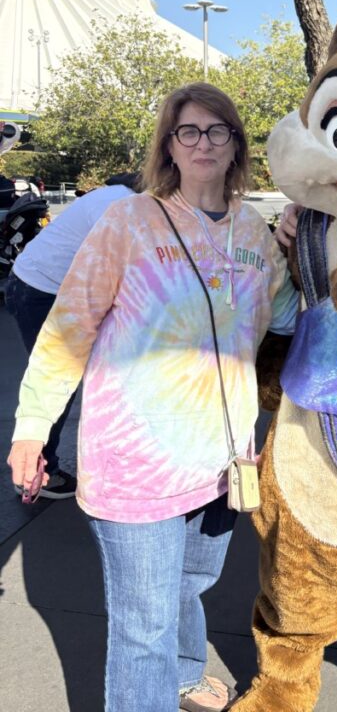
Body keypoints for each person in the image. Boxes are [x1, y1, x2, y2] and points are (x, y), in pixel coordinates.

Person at [7, 83, 297, 712]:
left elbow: (286, 316)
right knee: (142, 630)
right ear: (169, 144)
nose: (202, 142)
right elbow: (68, 328)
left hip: (223, 460)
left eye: (216, 130)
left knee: (193, 583)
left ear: (235, 145)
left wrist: (312, 246)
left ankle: (187, 677)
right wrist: (33, 426)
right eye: (188, 131)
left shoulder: (254, 230)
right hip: (136, 463)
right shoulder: (129, 221)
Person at [5, 172, 142, 500]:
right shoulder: (123, 206)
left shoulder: (118, 197)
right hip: (41, 290)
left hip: (43, 283)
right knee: (60, 373)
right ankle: (39, 470)